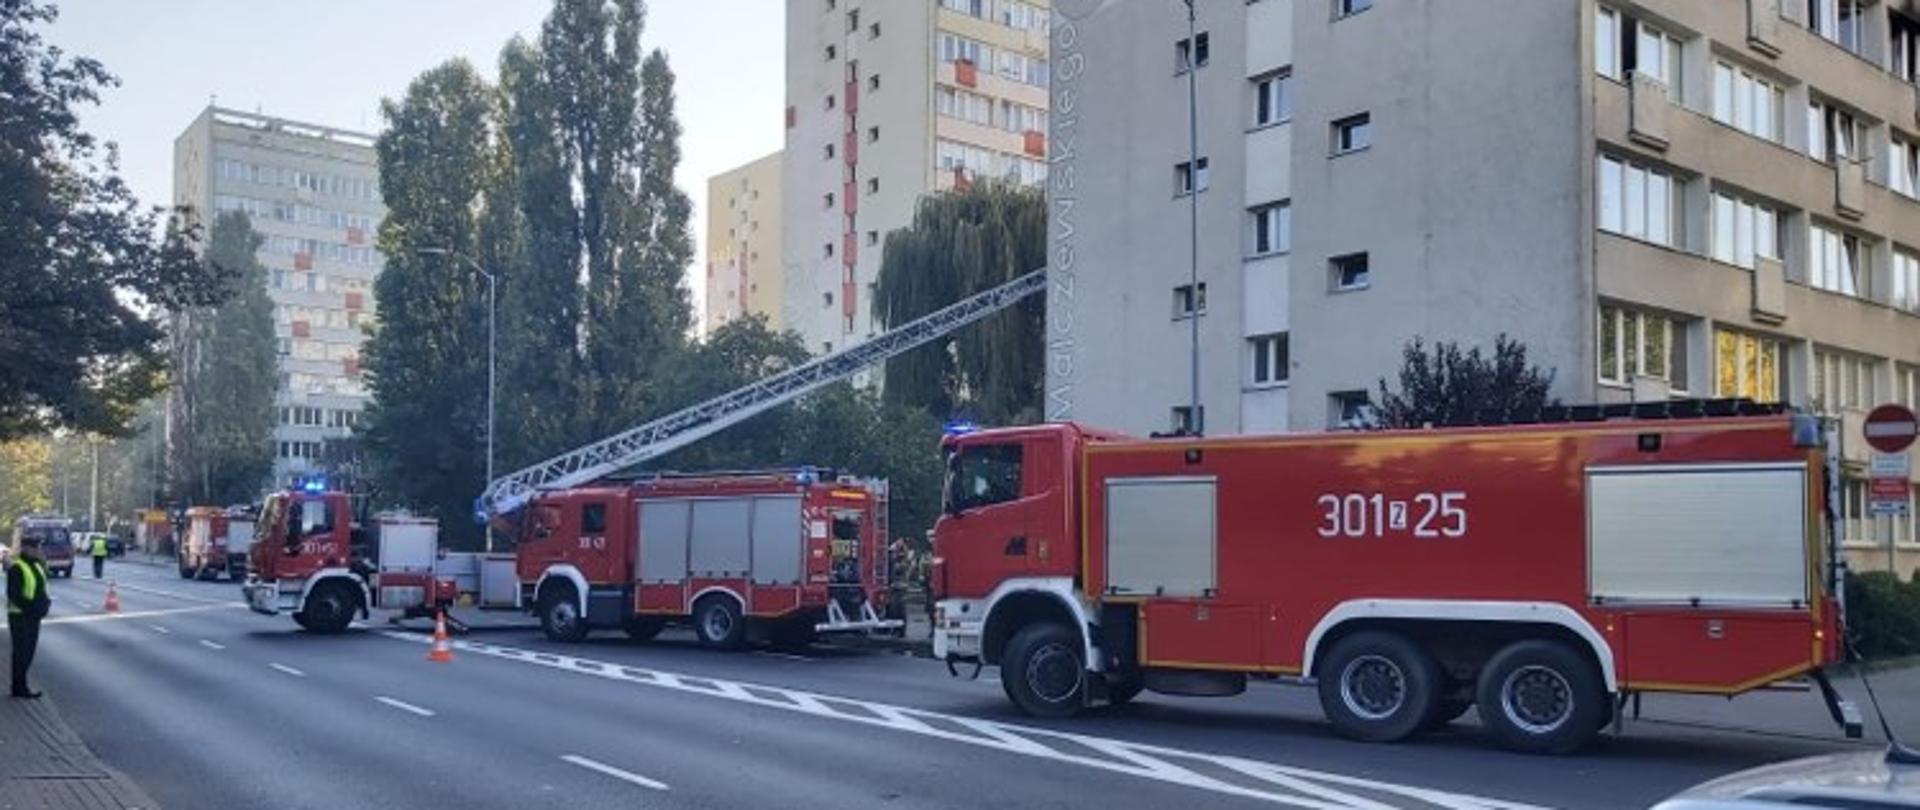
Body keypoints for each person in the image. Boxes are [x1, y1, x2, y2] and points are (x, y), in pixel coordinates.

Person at [8, 535, 52, 699]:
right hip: (20, 617)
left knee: (28, 653)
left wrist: (45, 604)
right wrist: (34, 609)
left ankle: (21, 685)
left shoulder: (37, 566)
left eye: (38, 547)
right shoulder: (17, 568)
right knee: (21, 653)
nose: (38, 550)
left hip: (33, 618)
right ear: (25, 548)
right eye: (35, 547)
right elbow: (14, 595)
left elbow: (43, 587)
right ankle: (18, 688)